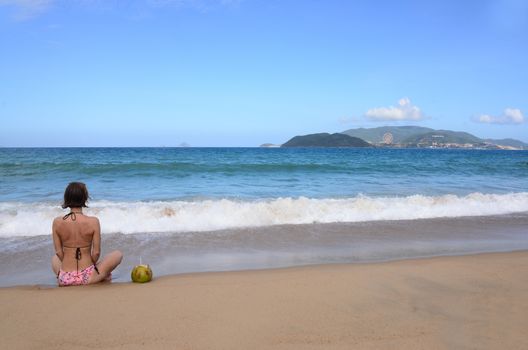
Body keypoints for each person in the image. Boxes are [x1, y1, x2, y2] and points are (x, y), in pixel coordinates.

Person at [51, 182, 122, 286]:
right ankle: (101, 276)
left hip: (65, 278)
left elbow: (58, 252)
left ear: (66, 198)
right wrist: (92, 266)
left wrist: (67, 264)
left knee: (54, 258)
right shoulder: (93, 222)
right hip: (88, 277)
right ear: (85, 198)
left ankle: (66, 277)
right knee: (118, 254)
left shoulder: (57, 222)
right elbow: (96, 253)